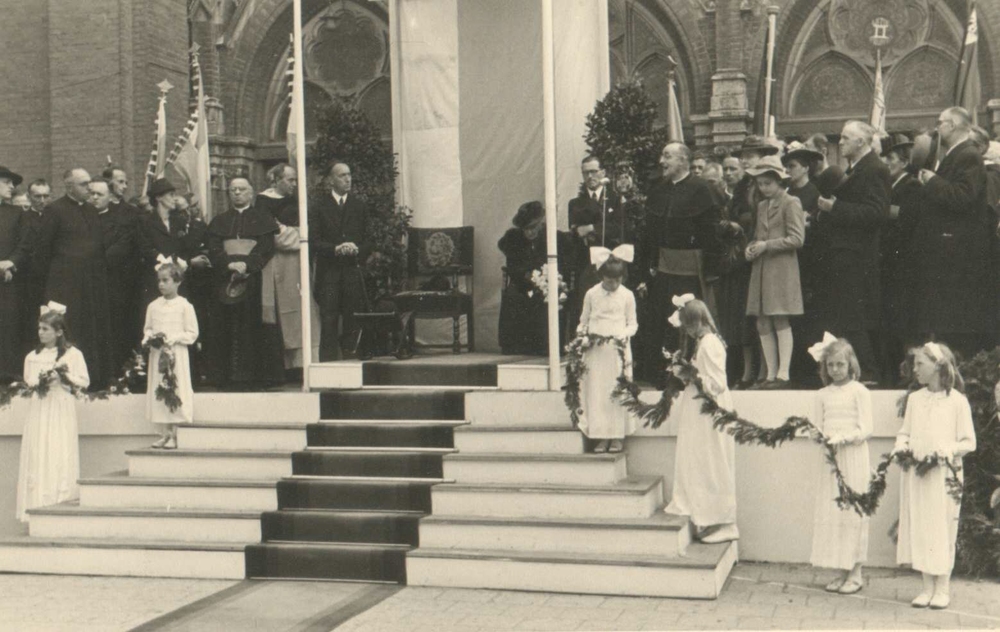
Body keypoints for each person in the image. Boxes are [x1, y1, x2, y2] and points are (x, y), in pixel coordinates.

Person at [894, 342, 976, 610]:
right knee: (922, 527)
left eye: (920, 364)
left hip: (944, 475)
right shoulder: (915, 400)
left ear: (938, 365)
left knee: (942, 527)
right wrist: (901, 446)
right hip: (918, 473)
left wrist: (947, 450)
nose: (914, 369)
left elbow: (969, 442)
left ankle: (942, 588)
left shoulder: (957, 401)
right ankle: (927, 587)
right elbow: (905, 432)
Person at [911, 107, 995, 361]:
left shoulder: (968, 155)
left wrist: (933, 181)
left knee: (956, 322)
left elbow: (962, 197)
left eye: (941, 123)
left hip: (957, 252)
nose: (937, 128)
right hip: (949, 251)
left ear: (954, 125)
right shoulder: (956, 154)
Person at [815, 121, 889, 384]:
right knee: (847, 315)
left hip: (858, 256)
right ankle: (859, 371)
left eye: (846, 138)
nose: (841, 142)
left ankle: (868, 372)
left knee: (855, 316)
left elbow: (876, 212)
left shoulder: (875, 169)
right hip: (846, 254)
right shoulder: (857, 168)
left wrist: (835, 208)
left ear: (861, 142)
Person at [642, 142, 722, 376]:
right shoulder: (658, 188)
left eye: (667, 156)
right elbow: (651, 232)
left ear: (683, 160)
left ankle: (691, 370)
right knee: (664, 319)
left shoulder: (702, 189)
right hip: (664, 267)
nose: (662, 161)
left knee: (689, 318)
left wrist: (711, 270)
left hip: (692, 269)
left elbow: (711, 234)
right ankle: (664, 371)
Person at [665, 297, 738, 543]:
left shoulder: (709, 344)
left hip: (710, 410)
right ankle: (707, 516)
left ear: (696, 322)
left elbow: (717, 384)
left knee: (713, 462)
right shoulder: (703, 342)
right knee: (702, 462)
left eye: (687, 325)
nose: (686, 331)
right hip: (700, 410)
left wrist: (691, 374)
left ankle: (726, 522)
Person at [32, 168, 113, 389]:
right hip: (66, 286)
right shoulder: (54, 210)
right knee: (70, 330)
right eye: (84, 184)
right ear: (69, 186)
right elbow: (43, 250)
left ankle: (94, 380)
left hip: (92, 284)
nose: (89, 188)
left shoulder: (91, 210)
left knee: (93, 330)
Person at [807, 334, 872, 595]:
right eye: (831, 365)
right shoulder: (822, 395)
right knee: (833, 512)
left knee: (852, 512)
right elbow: (816, 426)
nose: (835, 370)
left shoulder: (859, 392)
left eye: (840, 364)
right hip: (831, 460)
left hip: (853, 457)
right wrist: (819, 436)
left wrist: (844, 438)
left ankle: (855, 572)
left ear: (850, 364)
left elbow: (866, 428)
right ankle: (840, 570)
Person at [207, 177, 283, 388]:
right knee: (225, 325)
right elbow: (214, 248)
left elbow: (266, 248)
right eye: (233, 190)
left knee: (252, 326)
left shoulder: (263, 219)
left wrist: (246, 265)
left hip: (254, 280)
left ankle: (253, 377)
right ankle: (225, 377)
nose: (237, 193)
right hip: (225, 279)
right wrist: (229, 264)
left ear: (251, 192)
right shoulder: (219, 220)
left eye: (242, 189)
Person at [16, 303, 89, 521]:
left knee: (58, 452)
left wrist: (63, 377)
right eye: (39, 328)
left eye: (45, 329)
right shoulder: (32, 356)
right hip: (40, 409)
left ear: (59, 332)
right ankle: (37, 507)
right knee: (39, 452)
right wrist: (40, 382)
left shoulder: (73, 354)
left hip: (60, 408)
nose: (41, 333)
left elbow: (84, 381)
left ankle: (60, 507)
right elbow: (28, 381)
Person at [744, 156, 805, 388]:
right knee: (762, 320)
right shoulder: (762, 206)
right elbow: (759, 236)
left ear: (780, 181)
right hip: (761, 268)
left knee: (779, 317)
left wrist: (766, 246)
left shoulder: (791, 202)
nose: (763, 188)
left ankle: (783, 374)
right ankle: (770, 375)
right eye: (760, 184)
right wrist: (751, 248)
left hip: (781, 270)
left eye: (768, 183)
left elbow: (797, 238)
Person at [575, 248, 637, 454]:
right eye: (610, 280)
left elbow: (633, 323)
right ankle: (601, 436)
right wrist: (583, 335)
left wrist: (623, 335)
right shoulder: (591, 294)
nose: (614, 284)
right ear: (601, 276)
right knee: (598, 391)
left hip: (617, 350)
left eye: (618, 280)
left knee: (616, 390)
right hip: (596, 351)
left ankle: (617, 436)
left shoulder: (627, 295)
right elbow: (583, 321)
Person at [257, 163, 317, 373]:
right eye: (290, 179)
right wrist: (303, 234)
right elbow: (276, 236)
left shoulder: (297, 200)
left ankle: (304, 362)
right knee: (283, 311)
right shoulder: (263, 202)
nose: (294, 184)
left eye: (295, 180)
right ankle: (287, 365)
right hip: (279, 264)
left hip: (300, 262)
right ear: (276, 180)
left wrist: (302, 233)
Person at [310, 161, 371, 361]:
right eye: (342, 175)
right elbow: (314, 241)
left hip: (353, 272)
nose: (347, 179)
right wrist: (335, 249)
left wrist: (357, 249)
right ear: (331, 180)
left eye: (349, 174)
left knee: (353, 319)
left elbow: (369, 240)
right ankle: (327, 366)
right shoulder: (319, 207)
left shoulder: (359, 206)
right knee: (329, 320)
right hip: (329, 273)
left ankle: (352, 363)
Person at [878, 135, 922, 383]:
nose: (886, 163)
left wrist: (881, 212)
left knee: (903, 321)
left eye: (891, 158)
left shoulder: (911, 186)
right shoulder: (891, 186)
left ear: (904, 163)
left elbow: (907, 218)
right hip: (890, 263)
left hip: (903, 264)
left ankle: (908, 374)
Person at [566, 155, 627, 334]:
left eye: (593, 171)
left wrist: (592, 228)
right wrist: (580, 231)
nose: (590, 176)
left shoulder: (616, 200)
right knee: (588, 307)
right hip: (586, 263)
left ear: (603, 172)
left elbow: (620, 229)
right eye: (586, 173)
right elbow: (575, 232)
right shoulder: (575, 204)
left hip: (612, 262)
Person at [144, 259, 199, 449]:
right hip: (158, 354)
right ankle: (164, 433)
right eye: (159, 280)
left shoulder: (185, 306)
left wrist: (174, 339)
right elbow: (148, 328)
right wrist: (150, 338)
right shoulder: (153, 306)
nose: (161, 284)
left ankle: (175, 433)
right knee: (159, 388)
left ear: (177, 282)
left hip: (176, 354)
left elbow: (192, 333)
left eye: (166, 280)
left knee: (175, 388)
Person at [91, 177, 137, 372]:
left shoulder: (119, 222)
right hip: (87, 285)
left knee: (113, 329)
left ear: (110, 196)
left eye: (99, 194)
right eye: (91, 193)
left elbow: (120, 249)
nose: (94, 197)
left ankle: (113, 371)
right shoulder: (79, 220)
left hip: (111, 284)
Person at [498, 201, 548, 355]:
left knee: (546, 296)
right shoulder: (513, 238)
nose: (530, 232)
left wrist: (542, 278)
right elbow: (513, 266)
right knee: (514, 295)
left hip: (545, 281)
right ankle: (514, 346)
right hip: (521, 282)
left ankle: (541, 345)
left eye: (533, 227)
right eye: (526, 229)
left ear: (540, 224)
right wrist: (526, 277)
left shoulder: (549, 236)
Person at [0, 165, 30, 382]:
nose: (12, 187)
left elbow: (25, 243)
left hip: (7, 284)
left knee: (8, 330)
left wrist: (11, 262)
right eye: (6, 182)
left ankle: (7, 381)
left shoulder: (16, 214)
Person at [21, 179, 52, 353]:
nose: (42, 200)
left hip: (50, 278)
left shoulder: (55, 217)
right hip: (28, 279)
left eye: (46, 196)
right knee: (30, 322)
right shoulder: (22, 218)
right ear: (29, 197)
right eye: (37, 196)